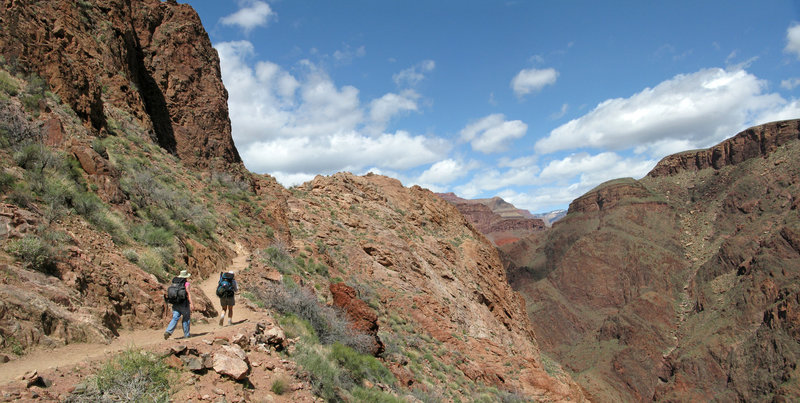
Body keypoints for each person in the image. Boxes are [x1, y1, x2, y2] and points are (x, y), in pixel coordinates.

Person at [164, 269, 194, 339]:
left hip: (175, 303)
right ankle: (186, 335)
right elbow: (188, 294)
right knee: (186, 318)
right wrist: (191, 304)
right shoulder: (186, 284)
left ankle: (168, 331)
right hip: (184, 303)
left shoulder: (174, 282)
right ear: (186, 276)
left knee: (175, 318)